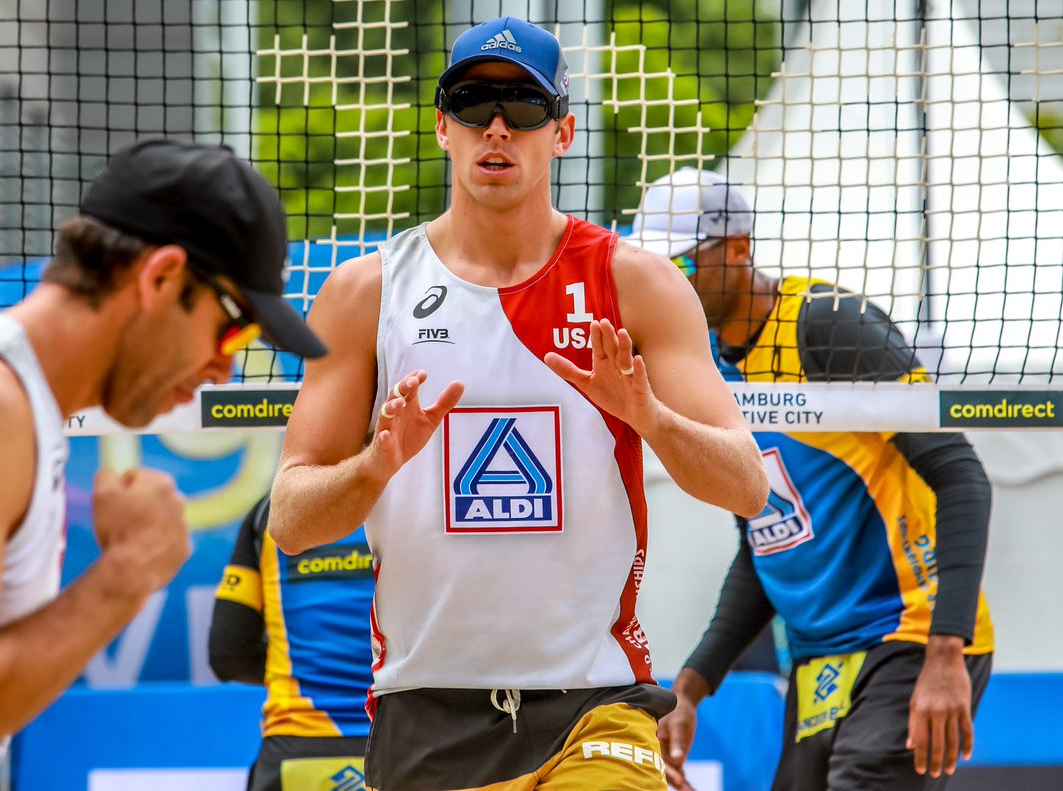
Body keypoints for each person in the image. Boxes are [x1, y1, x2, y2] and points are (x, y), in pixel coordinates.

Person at [267, 17, 768, 791]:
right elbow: (293, 522)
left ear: (563, 132)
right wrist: (376, 464)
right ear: (442, 126)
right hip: (424, 705)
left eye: (524, 109)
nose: (496, 127)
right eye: (473, 103)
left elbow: (747, 486)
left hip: (594, 705)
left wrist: (651, 420)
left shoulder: (635, 284)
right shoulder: (367, 293)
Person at [0, 138, 326, 789]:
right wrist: (128, 572)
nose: (227, 364)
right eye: (236, 326)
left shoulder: (16, 405)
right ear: (161, 277)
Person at [631, 168, 995, 791]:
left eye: (684, 267)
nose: (671, 285)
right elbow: (767, 541)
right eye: (659, 270)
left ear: (739, 249)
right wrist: (690, 688)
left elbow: (962, 475)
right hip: (815, 658)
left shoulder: (827, 323)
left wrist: (946, 650)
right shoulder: (704, 367)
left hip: (907, 635)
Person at [209, 496, 372, 791]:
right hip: (407, 745)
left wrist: (295, 670)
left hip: (296, 749)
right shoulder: (422, 500)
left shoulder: (274, 508)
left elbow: (228, 654)